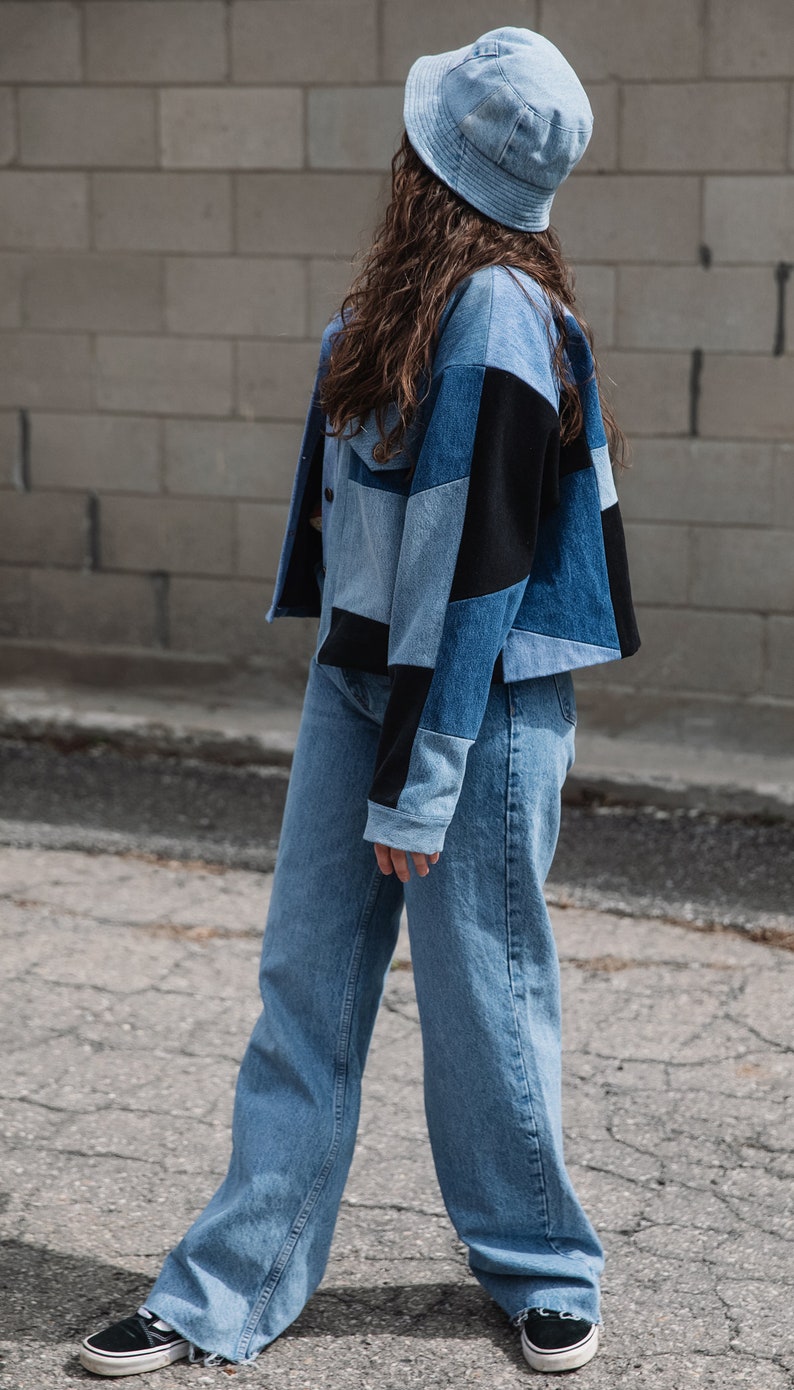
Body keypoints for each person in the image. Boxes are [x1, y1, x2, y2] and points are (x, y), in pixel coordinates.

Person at [79, 26, 639, 1379]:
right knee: (306, 987)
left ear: (432, 161)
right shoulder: (415, 299)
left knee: (483, 994)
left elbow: (480, 567)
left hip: (474, 706)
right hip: (364, 683)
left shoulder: (502, 313)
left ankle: (540, 1263)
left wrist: (421, 773)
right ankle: (229, 1284)